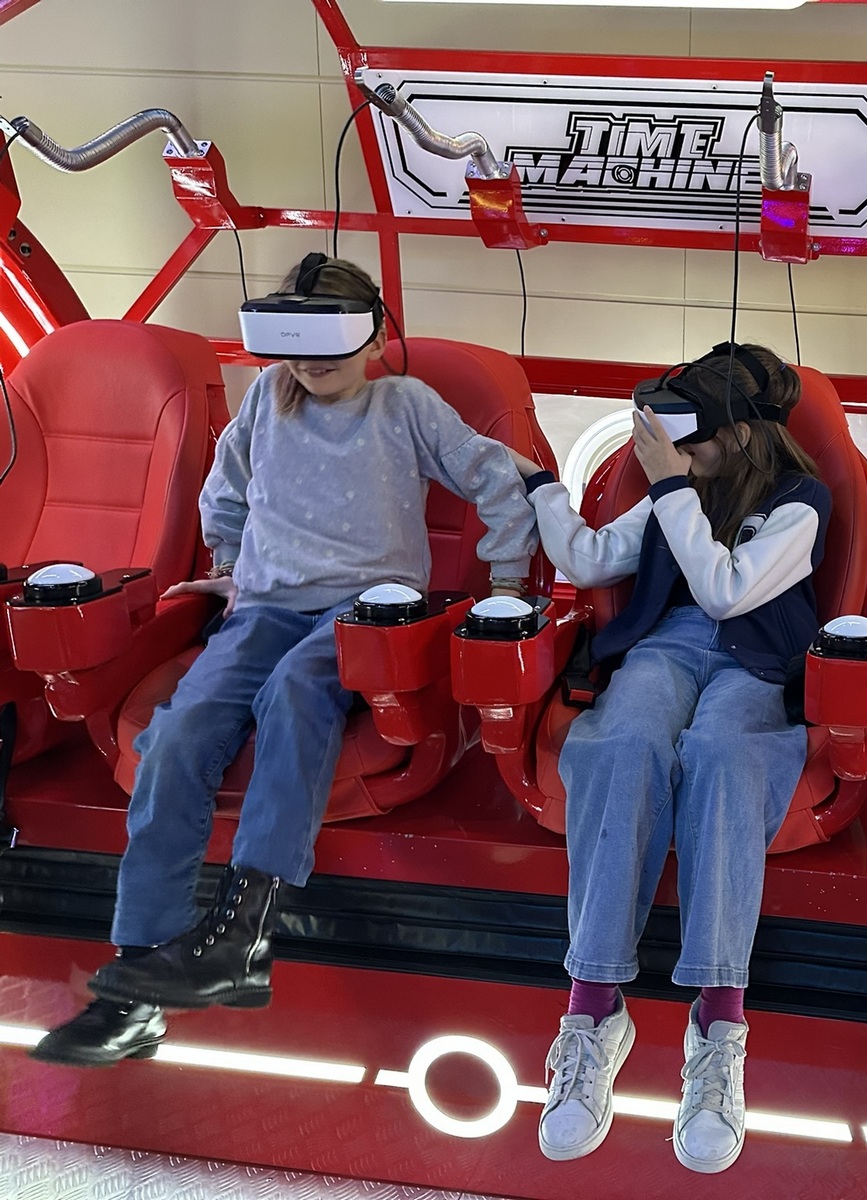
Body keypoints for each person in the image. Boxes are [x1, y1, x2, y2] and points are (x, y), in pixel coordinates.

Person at [30, 255, 536, 1068]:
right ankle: (136, 982)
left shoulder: (404, 405)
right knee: (180, 733)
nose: (309, 362)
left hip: (363, 613)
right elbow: (224, 491)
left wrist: (507, 580)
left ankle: (244, 939)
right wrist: (229, 565)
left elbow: (496, 479)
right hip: (262, 607)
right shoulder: (267, 397)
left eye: (326, 341)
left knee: (299, 689)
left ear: (371, 334)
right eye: (293, 344)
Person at [514, 343, 828, 1175]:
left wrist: (672, 490)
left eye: (694, 438)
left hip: (758, 658)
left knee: (725, 756)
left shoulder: (801, 503)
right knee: (620, 744)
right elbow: (589, 558)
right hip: (667, 646)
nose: (678, 453)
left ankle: (719, 1023)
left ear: (744, 433)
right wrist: (543, 486)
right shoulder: (672, 493)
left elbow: (728, 589)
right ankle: (592, 1011)